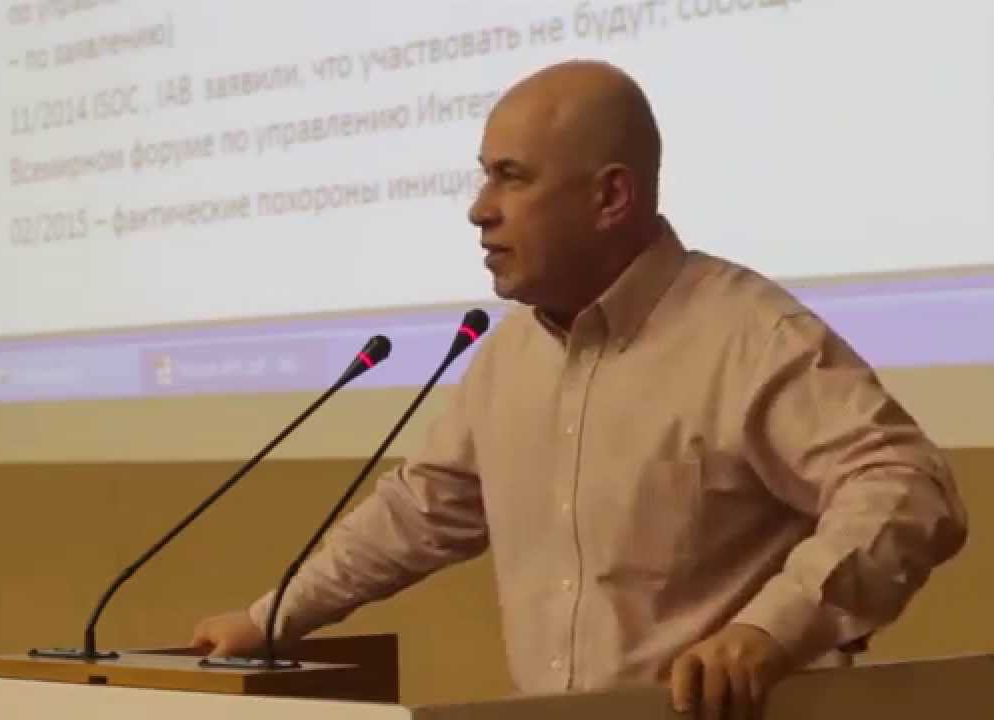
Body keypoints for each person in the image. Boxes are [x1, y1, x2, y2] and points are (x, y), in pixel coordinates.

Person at [190, 60, 968, 720]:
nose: (479, 209)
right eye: (484, 175)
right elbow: (420, 511)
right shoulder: (510, 355)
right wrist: (272, 619)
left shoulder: (750, 337)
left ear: (610, 198)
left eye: (511, 178)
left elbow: (905, 486)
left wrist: (772, 630)